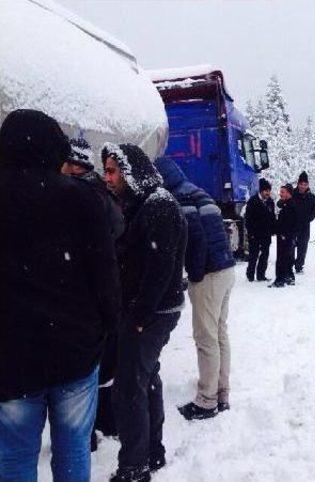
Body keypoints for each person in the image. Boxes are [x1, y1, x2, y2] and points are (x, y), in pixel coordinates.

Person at [0, 109, 120, 482]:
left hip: (11, 360)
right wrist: (108, 333)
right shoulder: (83, 199)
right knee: (73, 449)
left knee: (15, 457)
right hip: (75, 353)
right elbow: (106, 278)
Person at [102, 144, 187, 482]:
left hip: (153, 312)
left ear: (130, 170)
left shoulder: (159, 205)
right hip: (149, 309)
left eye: (112, 171)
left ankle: (134, 467)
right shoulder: (144, 203)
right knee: (145, 378)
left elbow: (160, 266)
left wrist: (138, 315)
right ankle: (152, 452)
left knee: (128, 386)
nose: (108, 178)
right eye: (106, 170)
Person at [154, 157, 236, 421]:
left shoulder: (180, 200)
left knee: (205, 337)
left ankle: (206, 400)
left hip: (209, 275)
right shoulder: (200, 193)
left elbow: (196, 239)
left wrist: (196, 274)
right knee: (220, 332)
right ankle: (221, 392)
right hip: (226, 269)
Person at [61, 137, 125, 452]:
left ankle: (89, 432)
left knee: (87, 368)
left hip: (86, 294)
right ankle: (104, 423)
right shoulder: (101, 193)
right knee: (100, 362)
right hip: (99, 292)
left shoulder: (81, 195)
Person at [244, 178, 276, 282]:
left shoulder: (270, 202)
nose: (268, 193)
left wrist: (273, 229)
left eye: (269, 191)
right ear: (261, 191)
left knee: (265, 255)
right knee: (253, 255)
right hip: (255, 234)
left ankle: (261, 275)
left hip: (266, 234)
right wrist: (251, 233)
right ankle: (250, 275)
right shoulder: (252, 202)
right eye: (266, 191)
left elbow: (272, 217)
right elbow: (248, 219)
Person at [270, 184, 298, 288]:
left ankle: (280, 280)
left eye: (282, 192)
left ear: (288, 193)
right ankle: (289, 277)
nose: (280, 194)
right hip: (285, 236)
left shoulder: (290, 206)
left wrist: (284, 234)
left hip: (285, 236)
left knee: (282, 257)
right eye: (280, 191)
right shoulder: (286, 204)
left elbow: (290, 223)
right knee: (288, 257)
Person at [292, 171, 315, 274]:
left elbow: (314, 210)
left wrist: (310, 218)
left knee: (302, 247)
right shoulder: (292, 193)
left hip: (305, 226)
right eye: (301, 184)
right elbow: (282, 203)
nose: (303, 186)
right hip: (292, 225)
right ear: (298, 184)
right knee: (291, 247)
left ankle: (299, 266)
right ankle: (289, 264)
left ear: (308, 185)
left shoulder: (311, 196)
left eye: (305, 184)